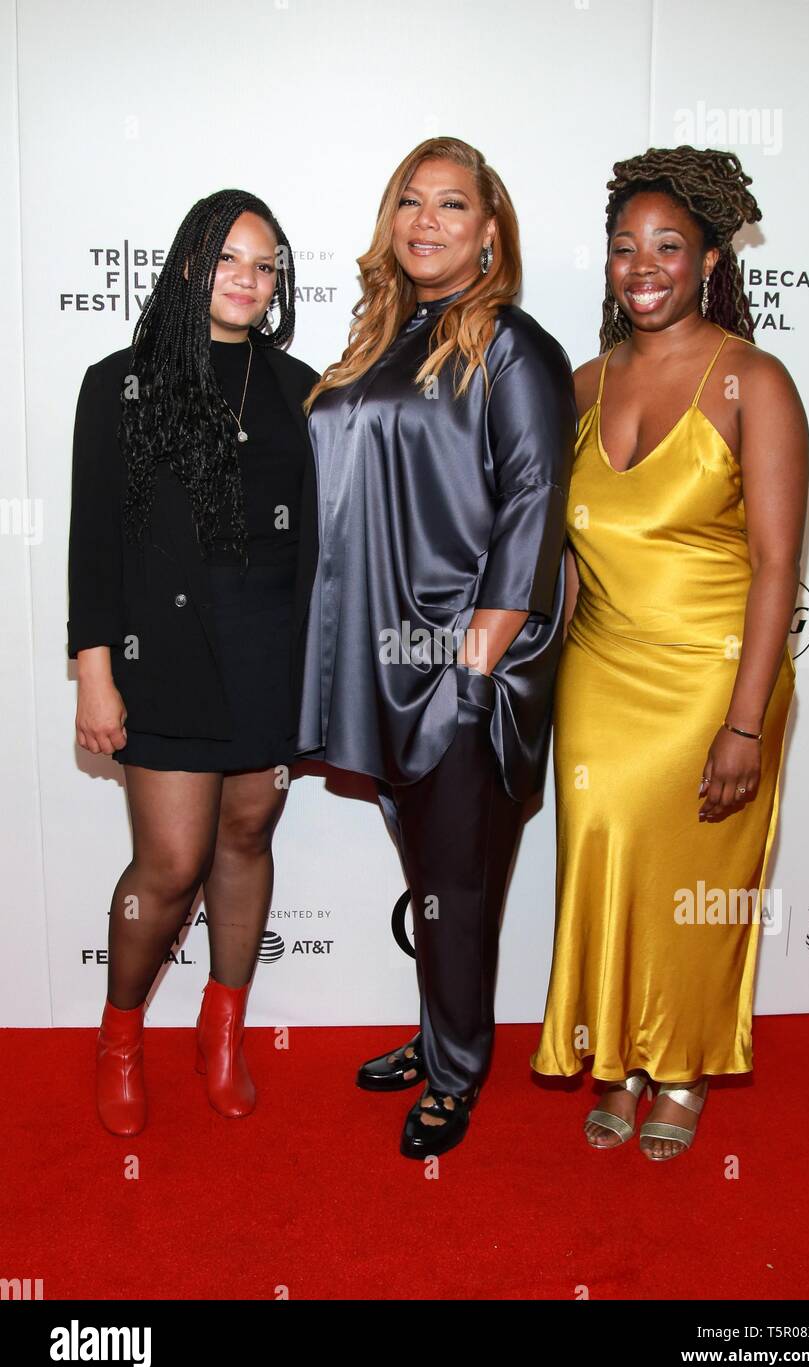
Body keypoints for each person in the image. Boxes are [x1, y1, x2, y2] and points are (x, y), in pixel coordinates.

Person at [293, 137, 576, 1159]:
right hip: (377, 662)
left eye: (451, 205)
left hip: (460, 669)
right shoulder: (378, 343)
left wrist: (474, 661)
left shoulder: (510, 344)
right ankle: (437, 1033)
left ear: (488, 231)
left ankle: (455, 1073)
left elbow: (535, 503)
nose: (426, 221)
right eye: (409, 202)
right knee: (429, 876)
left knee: (458, 885)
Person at [530, 146, 809, 1161]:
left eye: (664, 246)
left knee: (698, 877)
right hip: (601, 673)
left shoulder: (752, 381)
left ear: (703, 260)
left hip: (715, 674)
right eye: (621, 248)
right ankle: (621, 1051)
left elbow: (777, 562)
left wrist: (744, 722)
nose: (640, 265)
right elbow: (545, 542)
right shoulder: (578, 382)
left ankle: (682, 1064)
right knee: (606, 860)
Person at [67, 189, 319, 1135]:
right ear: (187, 267)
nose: (248, 281)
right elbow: (94, 541)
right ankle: (120, 1038)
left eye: (266, 267)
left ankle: (223, 1033)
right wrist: (96, 666)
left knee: (246, 839)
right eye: (229, 261)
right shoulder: (115, 382)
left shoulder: (300, 389)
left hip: (271, 652)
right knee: (169, 864)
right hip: (162, 653)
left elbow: (323, 544)